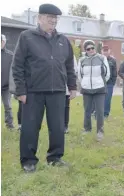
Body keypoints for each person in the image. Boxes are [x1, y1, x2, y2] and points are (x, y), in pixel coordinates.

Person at [12, 4, 77, 172]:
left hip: (57, 91)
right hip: (33, 91)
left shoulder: (63, 40)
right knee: (30, 127)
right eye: (49, 17)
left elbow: (69, 65)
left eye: (55, 18)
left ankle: (55, 157)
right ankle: (28, 161)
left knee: (57, 127)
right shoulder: (27, 37)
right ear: (39, 18)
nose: (53, 20)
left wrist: (72, 86)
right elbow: (17, 65)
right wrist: (20, 90)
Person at [78, 40, 110, 140]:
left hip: (99, 88)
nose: (91, 50)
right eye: (88, 49)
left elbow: (106, 73)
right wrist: (84, 83)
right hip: (86, 89)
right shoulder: (82, 60)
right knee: (87, 110)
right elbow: (80, 75)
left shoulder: (102, 58)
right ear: (85, 50)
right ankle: (87, 128)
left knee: (100, 111)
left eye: (92, 48)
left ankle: (100, 131)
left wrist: (100, 81)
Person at [1, 34, 15, 130]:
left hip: (6, 87)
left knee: (8, 106)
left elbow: (14, 71)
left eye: (1, 41)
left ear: (4, 42)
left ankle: (10, 126)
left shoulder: (10, 55)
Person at [102, 46, 117, 119]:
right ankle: (96, 112)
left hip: (109, 83)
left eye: (106, 50)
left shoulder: (113, 60)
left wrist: (113, 82)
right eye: (104, 50)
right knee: (99, 99)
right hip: (100, 83)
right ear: (102, 51)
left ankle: (106, 114)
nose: (105, 52)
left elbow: (114, 73)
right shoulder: (98, 59)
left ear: (109, 51)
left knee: (107, 99)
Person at [64, 56, 78, 134]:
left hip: (66, 85)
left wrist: (72, 86)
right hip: (54, 86)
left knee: (66, 107)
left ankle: (65, 126)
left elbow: (74, 69)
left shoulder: (69, 52)